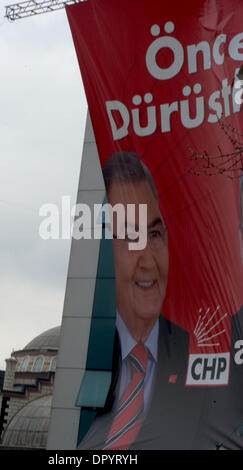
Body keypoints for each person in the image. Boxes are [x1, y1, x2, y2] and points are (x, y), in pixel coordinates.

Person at [78, 152, 203, 450]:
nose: (148, 262)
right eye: (131, 237)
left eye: (154, 233)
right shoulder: (97, 356)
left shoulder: (197, 354)